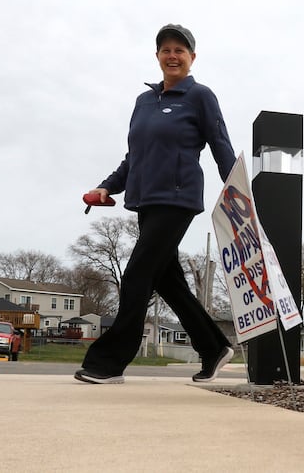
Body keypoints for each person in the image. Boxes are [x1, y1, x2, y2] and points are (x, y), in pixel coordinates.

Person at [75, 24, 235, 384]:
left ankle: (109, 362)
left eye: (181, 50)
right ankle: (213, 347)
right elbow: (135, 156)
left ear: (192, 58)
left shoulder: (200, 97)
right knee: (168, 281)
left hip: (178, 199)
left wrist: (237, 191)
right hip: (146, 201)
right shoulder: (143, 102)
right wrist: (106, 186)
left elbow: (220, 143)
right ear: (158, 56)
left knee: (137, 275)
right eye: (166, 49)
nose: (173, 55)